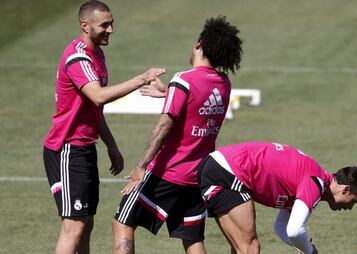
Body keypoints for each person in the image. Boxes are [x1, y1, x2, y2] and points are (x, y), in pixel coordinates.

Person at [112, 16, 243, 254]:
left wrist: (141, 166)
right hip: (198, 176)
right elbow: (199, 104)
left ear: (198, 44)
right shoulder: (224, 83)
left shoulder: (184, 80)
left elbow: (164, 126)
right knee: (192, 240)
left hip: (167, 172)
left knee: (123, 222)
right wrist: (168, 92)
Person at [42, 1, 165, 253]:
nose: (110, 30)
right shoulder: (78, 57)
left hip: (84, 148)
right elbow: (98, 96)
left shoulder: (97, 54)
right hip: (67, 148)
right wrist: (142, 78)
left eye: (112, 23)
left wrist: (111, 146)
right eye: (104, 25)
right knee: (74, 225)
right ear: (85, 26)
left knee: (85, 222)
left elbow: (93, 109)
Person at [198, 141, 357, 254]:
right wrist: (310, 251)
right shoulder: (315, 183)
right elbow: (294, 230)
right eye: (354, 201)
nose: (350, 208)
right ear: (345, 189)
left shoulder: (314, 181)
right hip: (229, 171)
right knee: (249, 249)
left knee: (241, 249)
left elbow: (282, 226)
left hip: (221, 166)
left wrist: (306, 248)